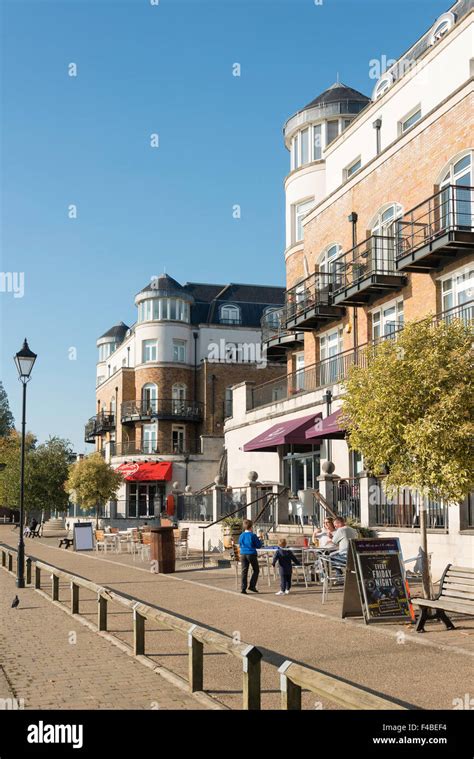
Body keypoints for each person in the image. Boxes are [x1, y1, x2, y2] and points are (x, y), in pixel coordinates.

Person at [238, 519, 262, 594]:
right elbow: (258, 545)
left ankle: (243, 588)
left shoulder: (241, 535)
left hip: (243, 554)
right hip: (251, 554)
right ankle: (252, 585)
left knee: (244, 571)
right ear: (251, 527)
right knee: (256, 570)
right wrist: (260, 539)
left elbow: (240, 544)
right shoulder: (253, 535)